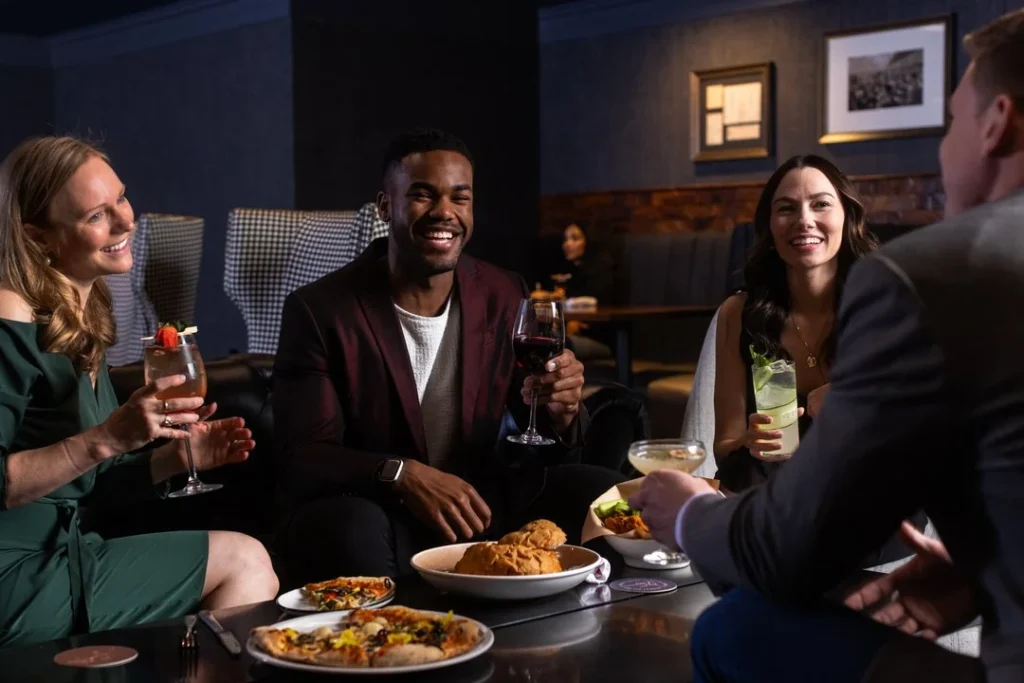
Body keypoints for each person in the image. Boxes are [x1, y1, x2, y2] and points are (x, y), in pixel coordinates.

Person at [629, 8, 1024, 682]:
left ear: (998, 123)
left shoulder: (925, 277)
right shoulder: (743, 315)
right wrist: (978, 570)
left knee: (733, 624)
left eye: (953, 119)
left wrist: (688, 512)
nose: (943, 147)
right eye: (785, 207)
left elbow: (788, 548)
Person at [273, 128, 625, 582]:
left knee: (603, 496)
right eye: (423, 195)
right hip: (383, 518)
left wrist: (562, 410)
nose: (445, 213)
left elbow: (542, 433)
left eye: (460, 198)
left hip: (484, 511)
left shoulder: (505, 292)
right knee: (351, 529)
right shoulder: (320, 309)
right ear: (385, 207)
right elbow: (303, 456)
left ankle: (596, 638)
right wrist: (400, 474)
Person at [0, 136, 279, 647]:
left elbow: (85, 482)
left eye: (121, 198)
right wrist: (106, 438)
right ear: (39, 239)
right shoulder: (10, 310)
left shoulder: (80, 314)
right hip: (15, 576)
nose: (127, 222)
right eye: (95, 216)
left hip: (64, 552)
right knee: (245, 560)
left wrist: (176, 458)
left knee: (247, 555)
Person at [713, 155, 877, 493]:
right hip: (778, 493)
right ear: (769, 225)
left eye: (820, 205)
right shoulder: (739, 313)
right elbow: (725, 447)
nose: (804, 220)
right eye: (786, 209)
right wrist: (750, 439)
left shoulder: (883, 306)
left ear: (847, 216)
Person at [551, 221, 618, 362]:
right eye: (565, 239)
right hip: (577, 336)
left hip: (602, 339)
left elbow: (605, 310)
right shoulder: (574, 272)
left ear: (588, 241)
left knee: (551, 344)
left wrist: (577, 323)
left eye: (575, 239)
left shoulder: (602, 270)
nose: (567, 244)